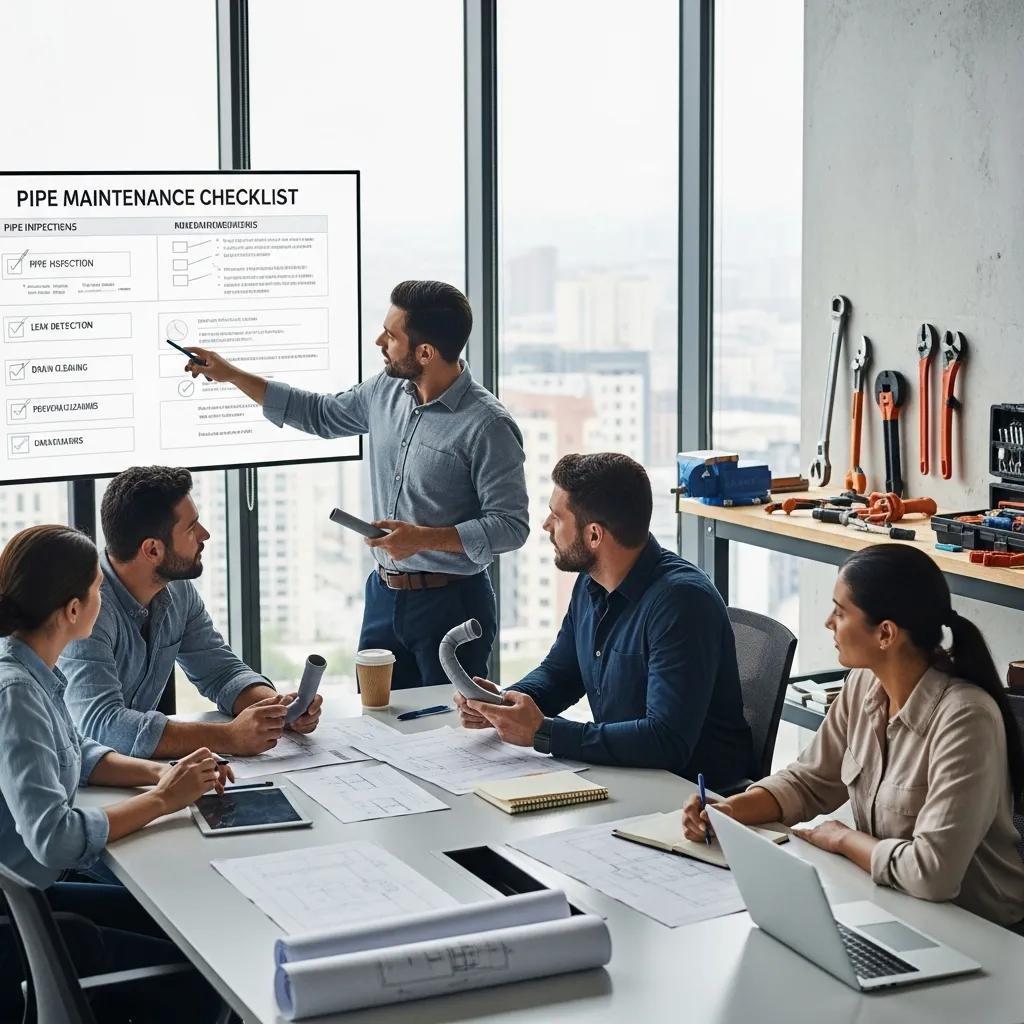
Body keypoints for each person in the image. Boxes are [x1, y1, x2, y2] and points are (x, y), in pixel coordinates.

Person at [180, 280, 529, 690]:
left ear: (425, 353)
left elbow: (511, 526)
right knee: (377, 721)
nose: (380, 341)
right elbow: (320, 414)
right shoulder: (386, 390)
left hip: (453, 605)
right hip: (384, 595)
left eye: (392, 335)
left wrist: (423, 539)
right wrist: (231, 375)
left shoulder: (488, 425)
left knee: (452, 733)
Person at [682, 544, 1024, 929]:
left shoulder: (965, 719)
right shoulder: (864, 683)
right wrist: (730, 811)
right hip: (897, 908)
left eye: (841, 612)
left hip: (981, 932)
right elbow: (809, 781)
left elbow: (932, 873)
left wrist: (842, 839)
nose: (829, 622)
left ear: (886, 634)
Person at [0, 524, 229, 1021]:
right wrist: (165, 800)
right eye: (98, 590)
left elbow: (76, 752)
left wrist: (164, 773)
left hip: (34, 897)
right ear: (73, 610)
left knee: (184, 916)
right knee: (210, 967)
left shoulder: (31, 671)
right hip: (18, 919)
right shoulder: (15, 694)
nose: (105, 598)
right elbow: (55, 840)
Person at [455, 453, 755, 787]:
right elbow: (560, 674)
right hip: (625, 778)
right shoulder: (591, 581)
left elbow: (666, 741)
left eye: (557, 517)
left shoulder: (682, 604)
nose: (545, 526)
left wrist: (545, 733)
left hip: (691, 800)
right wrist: (502, 705)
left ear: (594, 535)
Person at [60, 466, 323, 758]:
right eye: (191, 528)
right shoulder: (84, 609)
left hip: (130, 775)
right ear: (152, 550)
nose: (204, 534)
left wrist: (277, 709)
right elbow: (102, 726)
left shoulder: (176, 591)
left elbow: (222, 673)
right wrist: (227, 737)